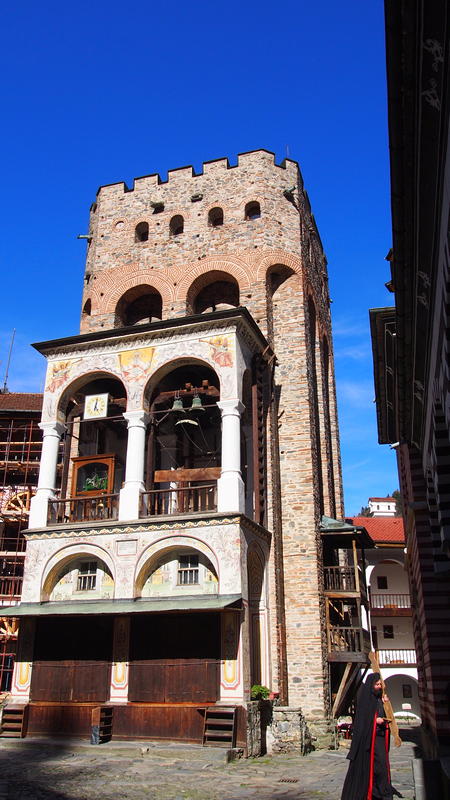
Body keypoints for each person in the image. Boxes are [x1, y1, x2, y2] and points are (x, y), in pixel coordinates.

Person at [341, 672, 400, 800]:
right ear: (371, 685)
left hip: (379, 738)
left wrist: (386, 705)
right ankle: (376, 791)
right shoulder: (366, 700)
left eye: (380, 684)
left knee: (381, 767)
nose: (379, 686)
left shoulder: (379, 699)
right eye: (377, 684)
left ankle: (381, 791)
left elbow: (385, 714)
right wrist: (375, 721)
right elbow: (363, 721)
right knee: (377, 767)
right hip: (369, 740)